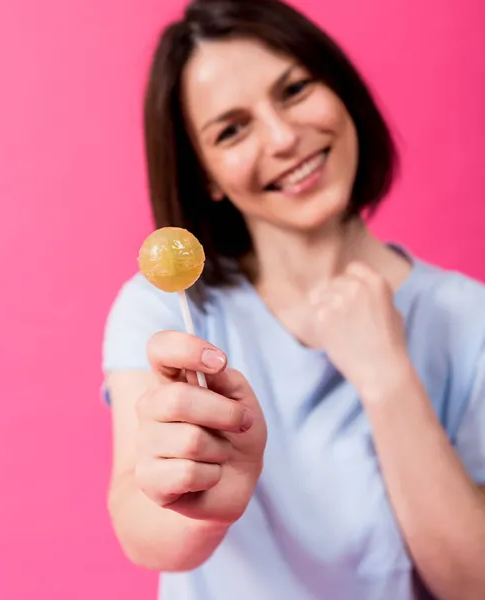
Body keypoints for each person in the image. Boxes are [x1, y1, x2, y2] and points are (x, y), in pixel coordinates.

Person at [101, 0, 485, 598]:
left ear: (340, 90)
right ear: (204, 173)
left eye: (295, 89)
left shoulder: (468, 318)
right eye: (232, 129)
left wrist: (387, 380)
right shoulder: (170, 310)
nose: (283, 137)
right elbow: (141, 528)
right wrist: (199, 501)